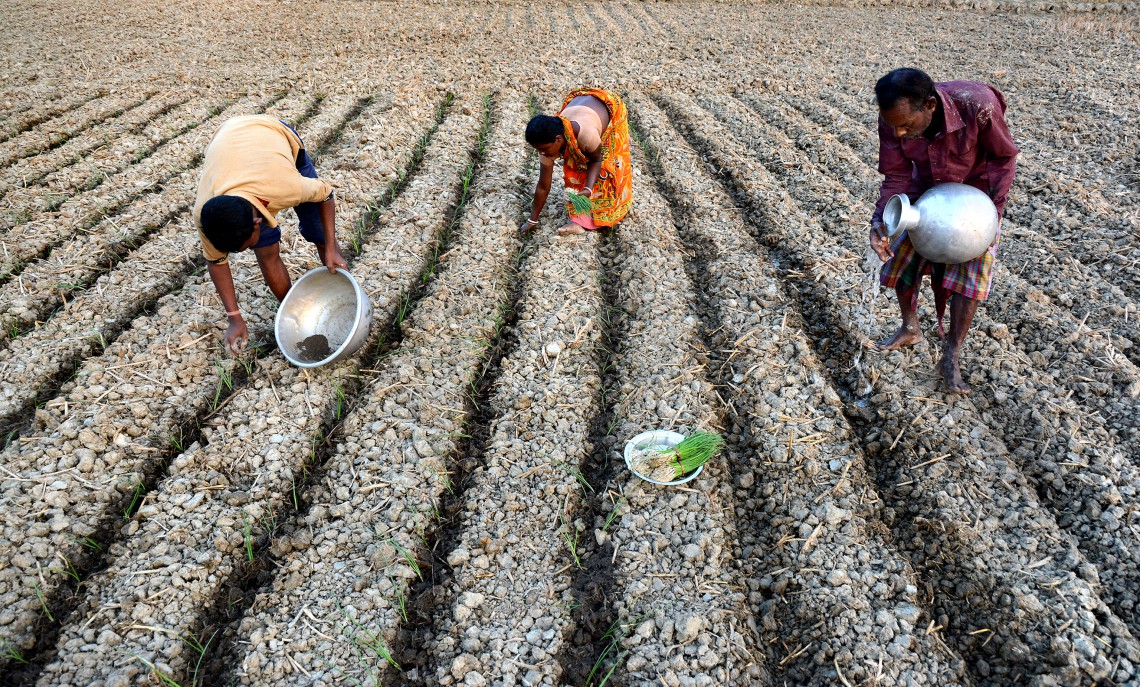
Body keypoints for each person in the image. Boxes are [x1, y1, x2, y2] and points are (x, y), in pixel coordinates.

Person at [868, 68, 1019, 394]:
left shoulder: (977, 106)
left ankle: (951, 353)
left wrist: (990, 215)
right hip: (926, 195)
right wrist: (880, 222)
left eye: (907, 125)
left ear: (931, 106)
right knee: (901, 262)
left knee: (969, 275)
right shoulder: (894, 119)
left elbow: (1004, 159)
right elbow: (895, 175)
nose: (900, 132)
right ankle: (910, 327)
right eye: (894, 126)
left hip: (973, 197)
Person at [193, 115, 347, 354]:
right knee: (266, 252)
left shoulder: (287, 186)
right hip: (228, 141)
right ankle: (294, 314)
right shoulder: (208, 215)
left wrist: (330, 247)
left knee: (319, 230)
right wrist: (234, 317)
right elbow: (216, 262)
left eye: (244, 247)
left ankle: (344, 295)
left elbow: (326, 194)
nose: (241, 253)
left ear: (257, 222)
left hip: (273, 134)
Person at [521, 88, 633, 236]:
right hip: (581, 105)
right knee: (574, 170)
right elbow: (543, 185)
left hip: (610, 109)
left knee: (608, 168)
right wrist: (532, 220)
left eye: (544, 149)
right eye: (538, 149)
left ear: (558, 139)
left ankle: (604, 211)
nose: (541, 153)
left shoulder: (586, 135)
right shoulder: (546, 145)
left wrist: (588, 189)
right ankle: (580, 217)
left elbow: (596, 160)